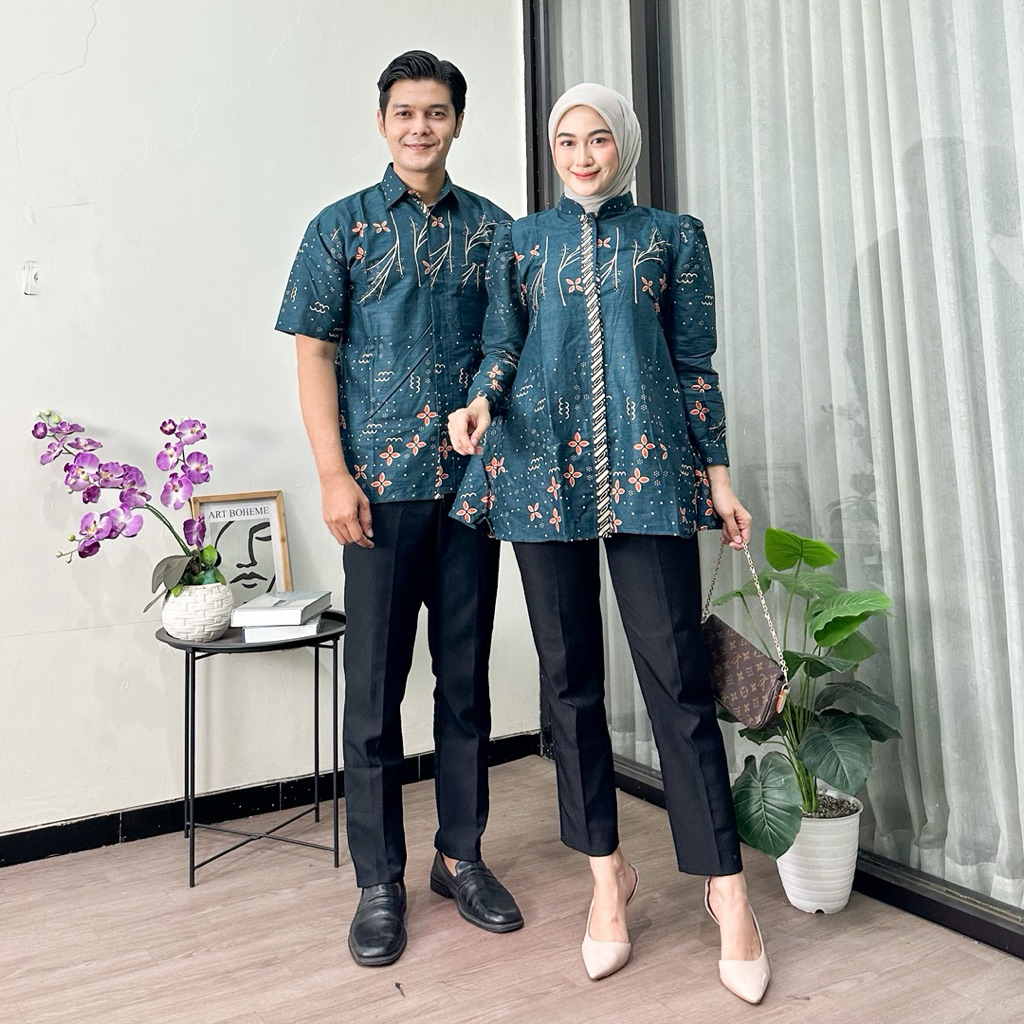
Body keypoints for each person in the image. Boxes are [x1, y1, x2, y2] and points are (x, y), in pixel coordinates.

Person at [448, 83, 769, 1004]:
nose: (582, 156)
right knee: (569, 683)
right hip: (538, 473)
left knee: (679, 680)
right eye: (566, 141)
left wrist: (717, 476)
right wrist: (480, 403)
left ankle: (727, 889)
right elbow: (501, 348)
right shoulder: (520, 242)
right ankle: (605, 877)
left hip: (649, 473)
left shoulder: (673, 237)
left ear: (623, 143)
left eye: (597, 139)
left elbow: (694, 365)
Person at [275, 50, 523, 968]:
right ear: (382, 122)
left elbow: (508, 344)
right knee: (375, 697)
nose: (421, 127)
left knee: (465, 687)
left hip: (469, 495)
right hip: (375, 498)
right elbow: (313, 353)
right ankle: (378, 882)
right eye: (406, 113)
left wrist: (487, 402)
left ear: (458, 121)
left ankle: (460, 857)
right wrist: (332, 476)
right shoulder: (337, 229)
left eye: (437, 112)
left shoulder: (496, 231)